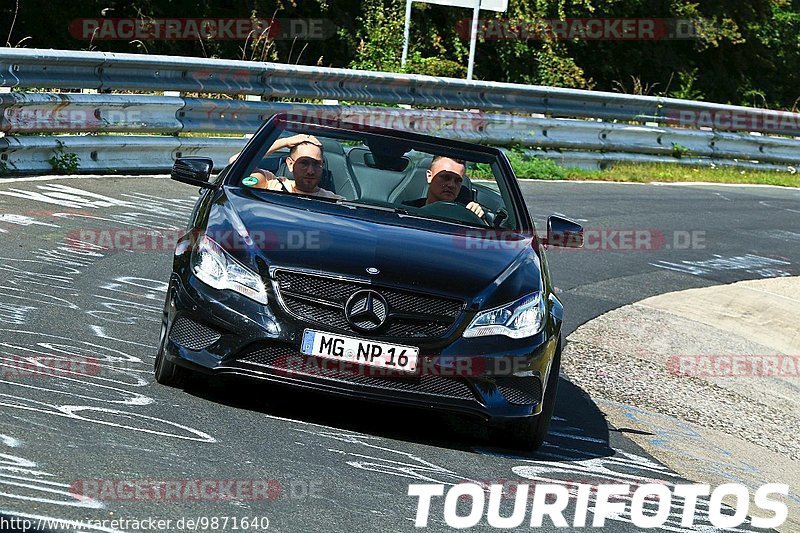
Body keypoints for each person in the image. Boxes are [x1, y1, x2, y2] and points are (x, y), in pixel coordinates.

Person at [230, 134, 342, 199]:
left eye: (316, 164)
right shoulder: (271, 183)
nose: (310, 171)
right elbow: (235, 163)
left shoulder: (333, 200)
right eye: (304, 163)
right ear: (290, 164)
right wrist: (285, 142)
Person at [402, 155, 485, 218]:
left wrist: (477, 217)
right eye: (445, 177)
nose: (452, 185)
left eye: (458, 180)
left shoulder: (466, 215)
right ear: (429, 176)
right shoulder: (406, 210)